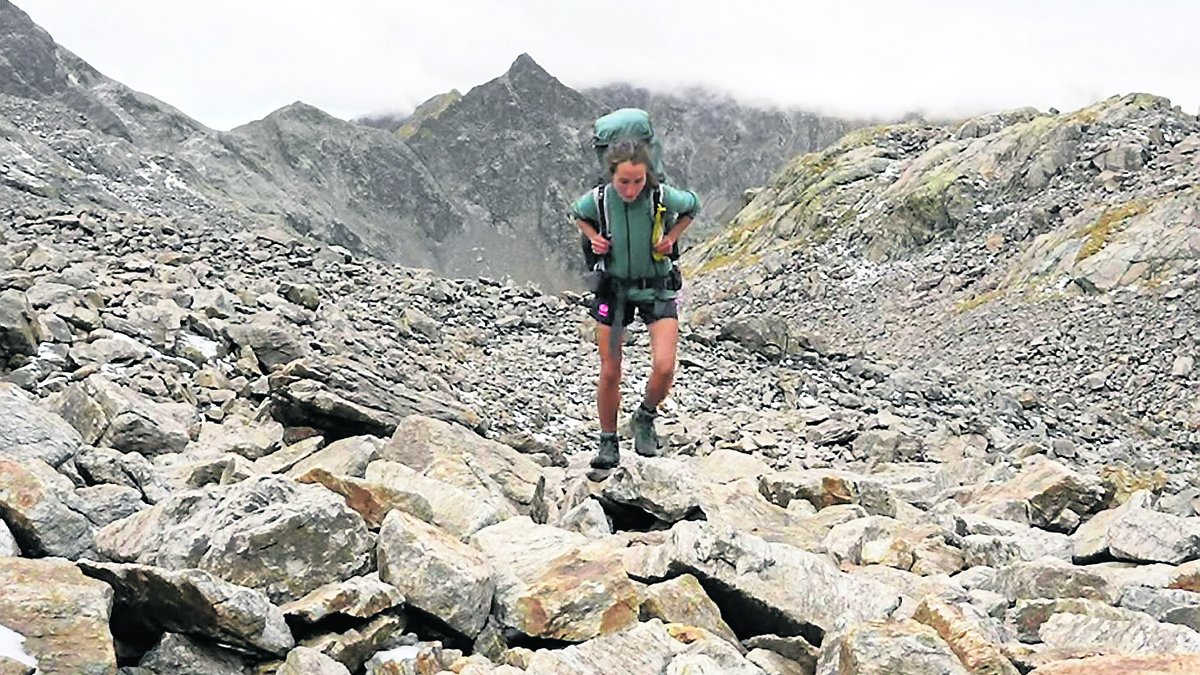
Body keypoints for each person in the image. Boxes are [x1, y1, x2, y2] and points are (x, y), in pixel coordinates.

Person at [571, 139, 701, 469]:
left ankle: (644, 416)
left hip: (656, 287)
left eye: (638, 181)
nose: (630, 190)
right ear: (611, 176)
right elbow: (577, 213)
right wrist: (593, 237)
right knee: (611, 370)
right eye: (623, 182)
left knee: (664, 366)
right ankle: (608, 441)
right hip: (613, 290)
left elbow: (693, 206)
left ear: (648, 176)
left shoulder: (660, 195)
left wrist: (671, 237)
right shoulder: (600, 199)